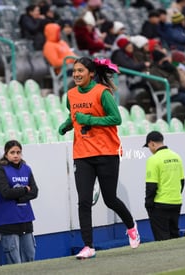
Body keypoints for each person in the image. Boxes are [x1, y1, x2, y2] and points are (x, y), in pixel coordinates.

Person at [58, 57, 141, 259]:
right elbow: (75, 115)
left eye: (80, 71)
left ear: (91, 73)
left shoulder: (102, 93)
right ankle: (88, 246)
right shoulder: (70, 94)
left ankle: (131, 226)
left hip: (106, 152)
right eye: (74, 71)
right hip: (82, 154)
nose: (76, 74)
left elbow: (116, 119)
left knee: (110, 199)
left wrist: (90, 120)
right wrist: (67, 124)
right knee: (84, 201)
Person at [0, 140, 39, 265]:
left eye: (18, 152)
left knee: (30, 256)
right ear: (6, 154)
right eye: (12, 152)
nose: (16, 155)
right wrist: (24, 189)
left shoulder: (27, 169)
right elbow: (6, 192)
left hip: (25, 218)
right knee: (14, 262)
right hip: (8, 220)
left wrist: (18, 197)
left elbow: (34, 192)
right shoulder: (0, 170)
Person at [143, 131, 184, 241]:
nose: (150, 150)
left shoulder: (153, 160)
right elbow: (182, 182)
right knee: (174, 236)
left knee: (162, 240)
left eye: (148, 147)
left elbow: (151, 186)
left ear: (152, 143)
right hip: (176, 202)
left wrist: (148, 204)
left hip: (160, 205)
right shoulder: (177, 157)